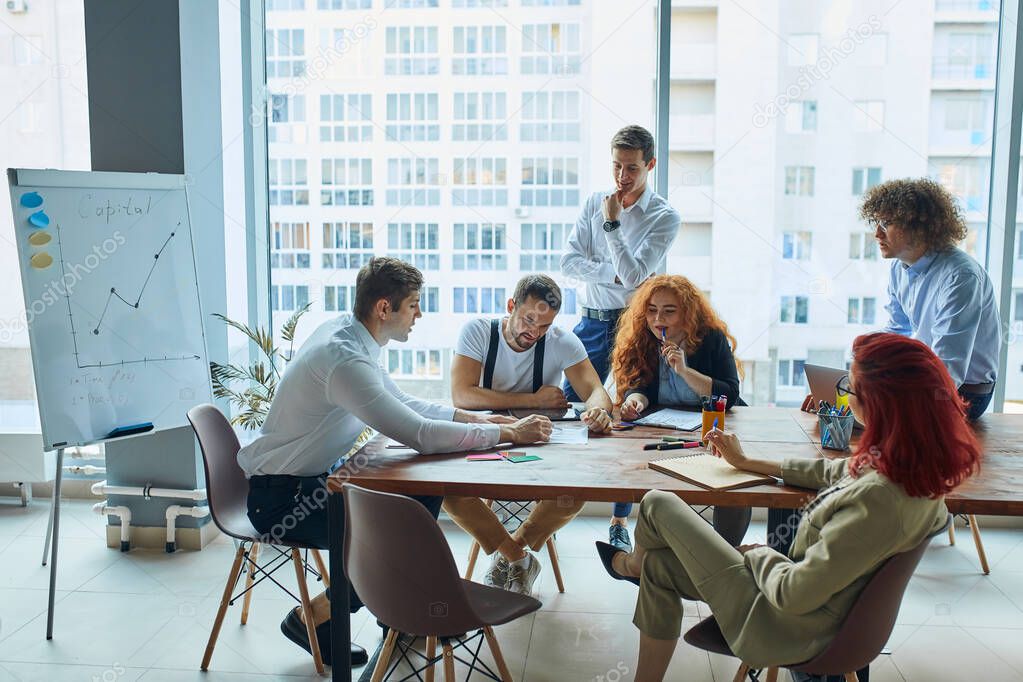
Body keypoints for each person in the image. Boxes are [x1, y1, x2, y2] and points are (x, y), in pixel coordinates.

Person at [596, 332, 978, 681]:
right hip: (816, 613)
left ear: (881, 405)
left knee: (657, 502)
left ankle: (627, 563)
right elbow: (832, 471)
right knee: (659, 567)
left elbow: (795, 593)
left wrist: (761, 554)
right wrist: (748, 463)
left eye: (851, 389)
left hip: (785, 626)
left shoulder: (878, 500)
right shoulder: (916, 469)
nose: (843, 396)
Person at [236, 257, 551, 667]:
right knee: (395, 530)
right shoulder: (344, 360)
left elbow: (403, 402)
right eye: (414, 305)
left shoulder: (350, 337)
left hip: (309, 483)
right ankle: (318, 617)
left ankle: (394, 619)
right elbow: (417, 434)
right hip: (282, 502)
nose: (420, 314)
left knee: (417, 498)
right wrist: (508, 433)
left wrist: (477, 419)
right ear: (384, 308)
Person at [446, 274, 613, 595]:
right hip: (489, 441)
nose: (534, 333)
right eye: (528, 320)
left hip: (541, 446)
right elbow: (462, 395)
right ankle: (517, 558)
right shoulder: (478, 331)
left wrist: (598, 411)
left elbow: (596, 390)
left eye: (544, 326)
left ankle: (512, 553)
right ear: (511, 306)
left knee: (575, 492)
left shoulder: (562, 342)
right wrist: (534, 401)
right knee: (451, 494)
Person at [560, 124, 681, 547]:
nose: (621, 177)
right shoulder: (595, 201)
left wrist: (611, 230)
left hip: (634, 324)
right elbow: (569, 262)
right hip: (592, 322)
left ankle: (620, 521)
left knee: (632, 416)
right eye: (616, 165)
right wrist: (611, 273)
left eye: (631, 167)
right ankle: (552, 500)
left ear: (650, 165)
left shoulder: (664, 216)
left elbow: (634, 277)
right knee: (567, 406)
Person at [803, 177, 1000, 421]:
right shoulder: (900, 268)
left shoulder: (961, 276)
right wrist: (849, 392)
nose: (876, 233)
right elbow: (898, 333)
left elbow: (948, 373)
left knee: (869, 425)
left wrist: (870, 400)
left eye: (886, 224)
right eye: (876, 222)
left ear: (919, 226)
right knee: (846, 412)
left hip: (963, 394)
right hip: (920, 382)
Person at [608, 274, 749, 550]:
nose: (658, 318)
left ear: (687, 314)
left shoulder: (711, 339)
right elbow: (639, 387)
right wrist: (635, 401)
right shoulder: (643, 339)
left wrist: (684, 371)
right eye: (651, 310)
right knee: (628, 457)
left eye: (669, 311)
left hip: (711, 431)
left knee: (733, 482)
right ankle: (626, 528)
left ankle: (723, 553)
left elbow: (728, 394)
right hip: (665, 431)